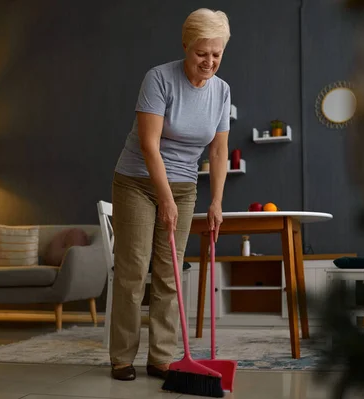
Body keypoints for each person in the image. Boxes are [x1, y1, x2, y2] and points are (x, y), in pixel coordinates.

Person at [109, 8, 231, 381]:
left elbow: (218, 151)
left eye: (216, 53)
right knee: (133, 269)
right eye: (201, 53)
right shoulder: (159, 79)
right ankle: (122, 358)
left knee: (169, 272)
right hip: (137, 181)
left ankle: (161, 357)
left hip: (184, 187)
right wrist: (163, 198)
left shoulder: (222, 91)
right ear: (185, 46)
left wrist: (216, 201)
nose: (209, 62)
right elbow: (149, 144)